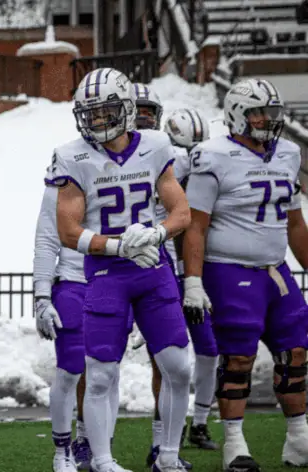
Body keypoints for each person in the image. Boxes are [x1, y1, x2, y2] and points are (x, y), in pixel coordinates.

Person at [47, 67, 192, 472]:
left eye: (105, 110)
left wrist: (153, 235)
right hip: (107, 274)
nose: (96, 121)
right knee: (99, 375)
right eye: (89, 113)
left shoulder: (156, 146)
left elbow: (181, 213)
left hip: (152, 268)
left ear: (127, 107)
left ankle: (167, 455)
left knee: (180, 368)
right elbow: (67, 230)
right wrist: (117, 245)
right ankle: (103, 461)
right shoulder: (72, 155)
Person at [182, 78, 308, 471]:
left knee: (297, 353)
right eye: (257, 112)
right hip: (229, 270)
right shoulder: (213, 155)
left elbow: (295, 225)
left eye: (271, 112)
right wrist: (193, 280)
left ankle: (299, 439)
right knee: (238, 358)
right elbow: (195, 226)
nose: (266, 120)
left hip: (276, 271)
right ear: (237, 113)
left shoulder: (288, 153)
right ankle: (234, 444)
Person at [130, 84, 195, 470]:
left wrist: (191, 275)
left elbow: (189, 215)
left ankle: (161, 447)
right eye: (134, 108)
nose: (141, 116)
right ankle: (88, 444)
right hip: (113, 259)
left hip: (161, 258)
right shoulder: (101, 152)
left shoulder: (173, 156)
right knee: (96, 359)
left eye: (147, 109)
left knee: (167, 359)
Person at [161, 107, 218, 453]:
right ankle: (168, 431)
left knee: (209, 351)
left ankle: (198, 423)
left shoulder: (206, 173)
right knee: (170, 358)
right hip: (165, 271)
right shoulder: (159, 168)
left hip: (194, 274)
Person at [33, 153, 88, 472]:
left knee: (106, 374)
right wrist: (42, 295)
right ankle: (62, 449)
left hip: (116, 282)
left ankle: (93, 445)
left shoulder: (131, 167)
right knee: (70, 370)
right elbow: (45, 240)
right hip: (72, 280)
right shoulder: (65, 174)